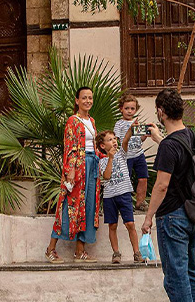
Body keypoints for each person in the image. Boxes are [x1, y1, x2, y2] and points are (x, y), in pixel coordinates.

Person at [141, 88, 195, 302]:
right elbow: (181, 159)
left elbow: (162, 185)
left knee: (175, 272)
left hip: (172, 216)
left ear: (160, 111)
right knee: (190, 268)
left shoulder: (169, 146)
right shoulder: (192, 137)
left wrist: (148, 218)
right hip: (192, 213)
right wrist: (160, 139)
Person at [46, 87, 100, 263]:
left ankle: (80, 251)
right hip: (77, 167)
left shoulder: (91, 120)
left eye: (90, 98)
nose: (87, 101)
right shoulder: (73, 121)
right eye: (84, 98)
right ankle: (50, 249)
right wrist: (70, 172)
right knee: (69, 206)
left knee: (89, 206)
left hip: (92, 166)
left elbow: (95, 145)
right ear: (77, 101)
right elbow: (69, 147)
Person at [96, 126, 144, 264]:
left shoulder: (122, 153)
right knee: (112, 225)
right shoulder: (102, 161)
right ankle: (116, 253)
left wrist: (132, 128)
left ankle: (136, 252)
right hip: (109, 197)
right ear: (103, 145)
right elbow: (106, 176)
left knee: (130, 224)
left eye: (114, 138)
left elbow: (126, 140)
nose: (114, 141)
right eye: (110, 140)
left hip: (124, 194)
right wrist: (110, 159)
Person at [114, 93, 149, 211]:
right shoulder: (119, 124)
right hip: (126, 156)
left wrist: (145, 134)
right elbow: (118, 140)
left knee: (143, 178)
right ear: (121, 109)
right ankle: (126, 203)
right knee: (126, 180)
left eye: (132, 108)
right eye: (127, 108)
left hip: (139, 154)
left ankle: (140, 202)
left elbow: (141, 140)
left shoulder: (137, 122)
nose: (129, 111)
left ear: (136, 109)